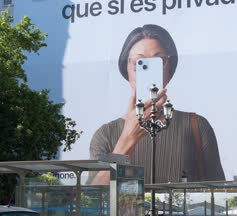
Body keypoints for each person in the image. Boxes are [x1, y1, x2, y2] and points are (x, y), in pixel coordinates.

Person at [89, 24, 225, 184]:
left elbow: (220, 193)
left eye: (159, 61)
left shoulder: (196, 126)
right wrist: (126, 139)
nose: (148, 72)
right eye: (140, 63)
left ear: (169, 69)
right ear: (127, 69)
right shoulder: (106, 134)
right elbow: (93, 197)